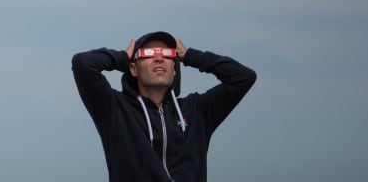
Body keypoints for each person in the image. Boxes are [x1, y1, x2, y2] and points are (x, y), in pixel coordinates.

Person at [72, 31, 256, 182]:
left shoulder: (197, 111)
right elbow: (83, 63)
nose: (159, 58)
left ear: (175, 69)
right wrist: (123, 57)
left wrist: (190, 55)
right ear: (133, 69)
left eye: (167, 54)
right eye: (148, 54)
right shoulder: (114, 109)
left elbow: (243, 77)